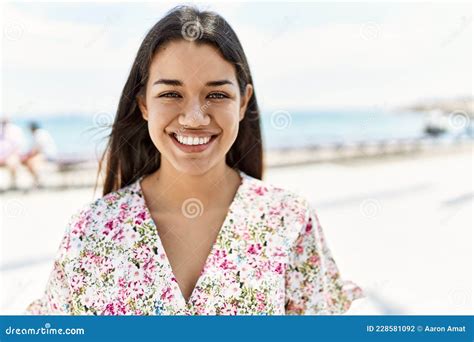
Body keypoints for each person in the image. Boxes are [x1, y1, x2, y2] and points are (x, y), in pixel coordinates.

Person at [26, 6, 363, 315]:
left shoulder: (288, 219)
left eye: (217, 94)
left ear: (243, 102)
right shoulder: (91, 230)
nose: (194, 117)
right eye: (171, 94)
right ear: (143, 103)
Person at [21, 122, 57, 188]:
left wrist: (27, 156)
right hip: (46, 154)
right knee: (29, 162)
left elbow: (38, 149)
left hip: (47, 155)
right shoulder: (39, 133)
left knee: (30, 162)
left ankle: (38, 179)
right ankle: (38, 179)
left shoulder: (39, 134)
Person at [0, 116, 26, 190]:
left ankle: (13, 183)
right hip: (2, 155)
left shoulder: (15, 130)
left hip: (11, 155)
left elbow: (17, 147)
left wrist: (5, 157)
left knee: (12, 163)